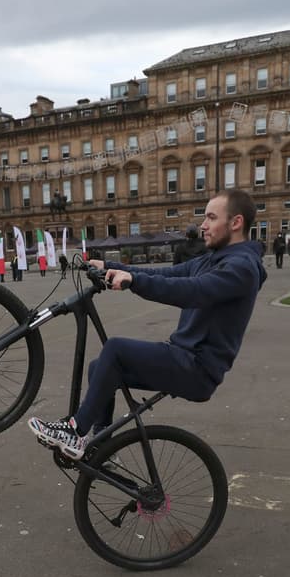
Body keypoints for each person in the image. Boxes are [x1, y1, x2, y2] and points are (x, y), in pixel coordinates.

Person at [29, 189, 267, 459]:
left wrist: (133, 282)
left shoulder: (242, 268)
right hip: (183, 357)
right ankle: (100, 447)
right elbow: (165, 273)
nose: (203, 225)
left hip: (197, 367)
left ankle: (74, 432)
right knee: (100, 368)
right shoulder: (212, 259)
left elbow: (191, 291)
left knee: (116, 349)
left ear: (235, 223)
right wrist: (109, 265)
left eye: (211, 218)